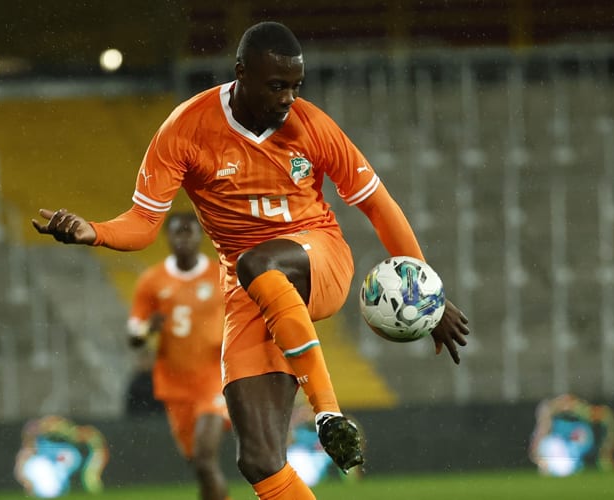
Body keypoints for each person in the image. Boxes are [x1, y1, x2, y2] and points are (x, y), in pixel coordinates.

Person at [32, 21, 470, 500]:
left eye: (295, 86)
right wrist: (92, 232)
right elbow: (142, 224)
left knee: (257, 262)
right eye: (276, 85)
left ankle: (327, 413)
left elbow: (377, 205)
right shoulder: (186, 130)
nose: (287, 98)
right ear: (240, 73)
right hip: (250, 291)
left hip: (317, 259)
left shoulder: (313, 126)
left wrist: (426, 293)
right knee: (258, 459)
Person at [126, 211, 230, 500]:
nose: (184, 238)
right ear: (167, 237)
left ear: (200, 236)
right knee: (198, 464)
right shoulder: (152, 281)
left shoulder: (220, 273)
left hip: (213, 378)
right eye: (177, 232)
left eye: (189, 232)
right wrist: (148, 329)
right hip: (175, 383)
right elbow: (134, 336)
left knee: (205, 457)